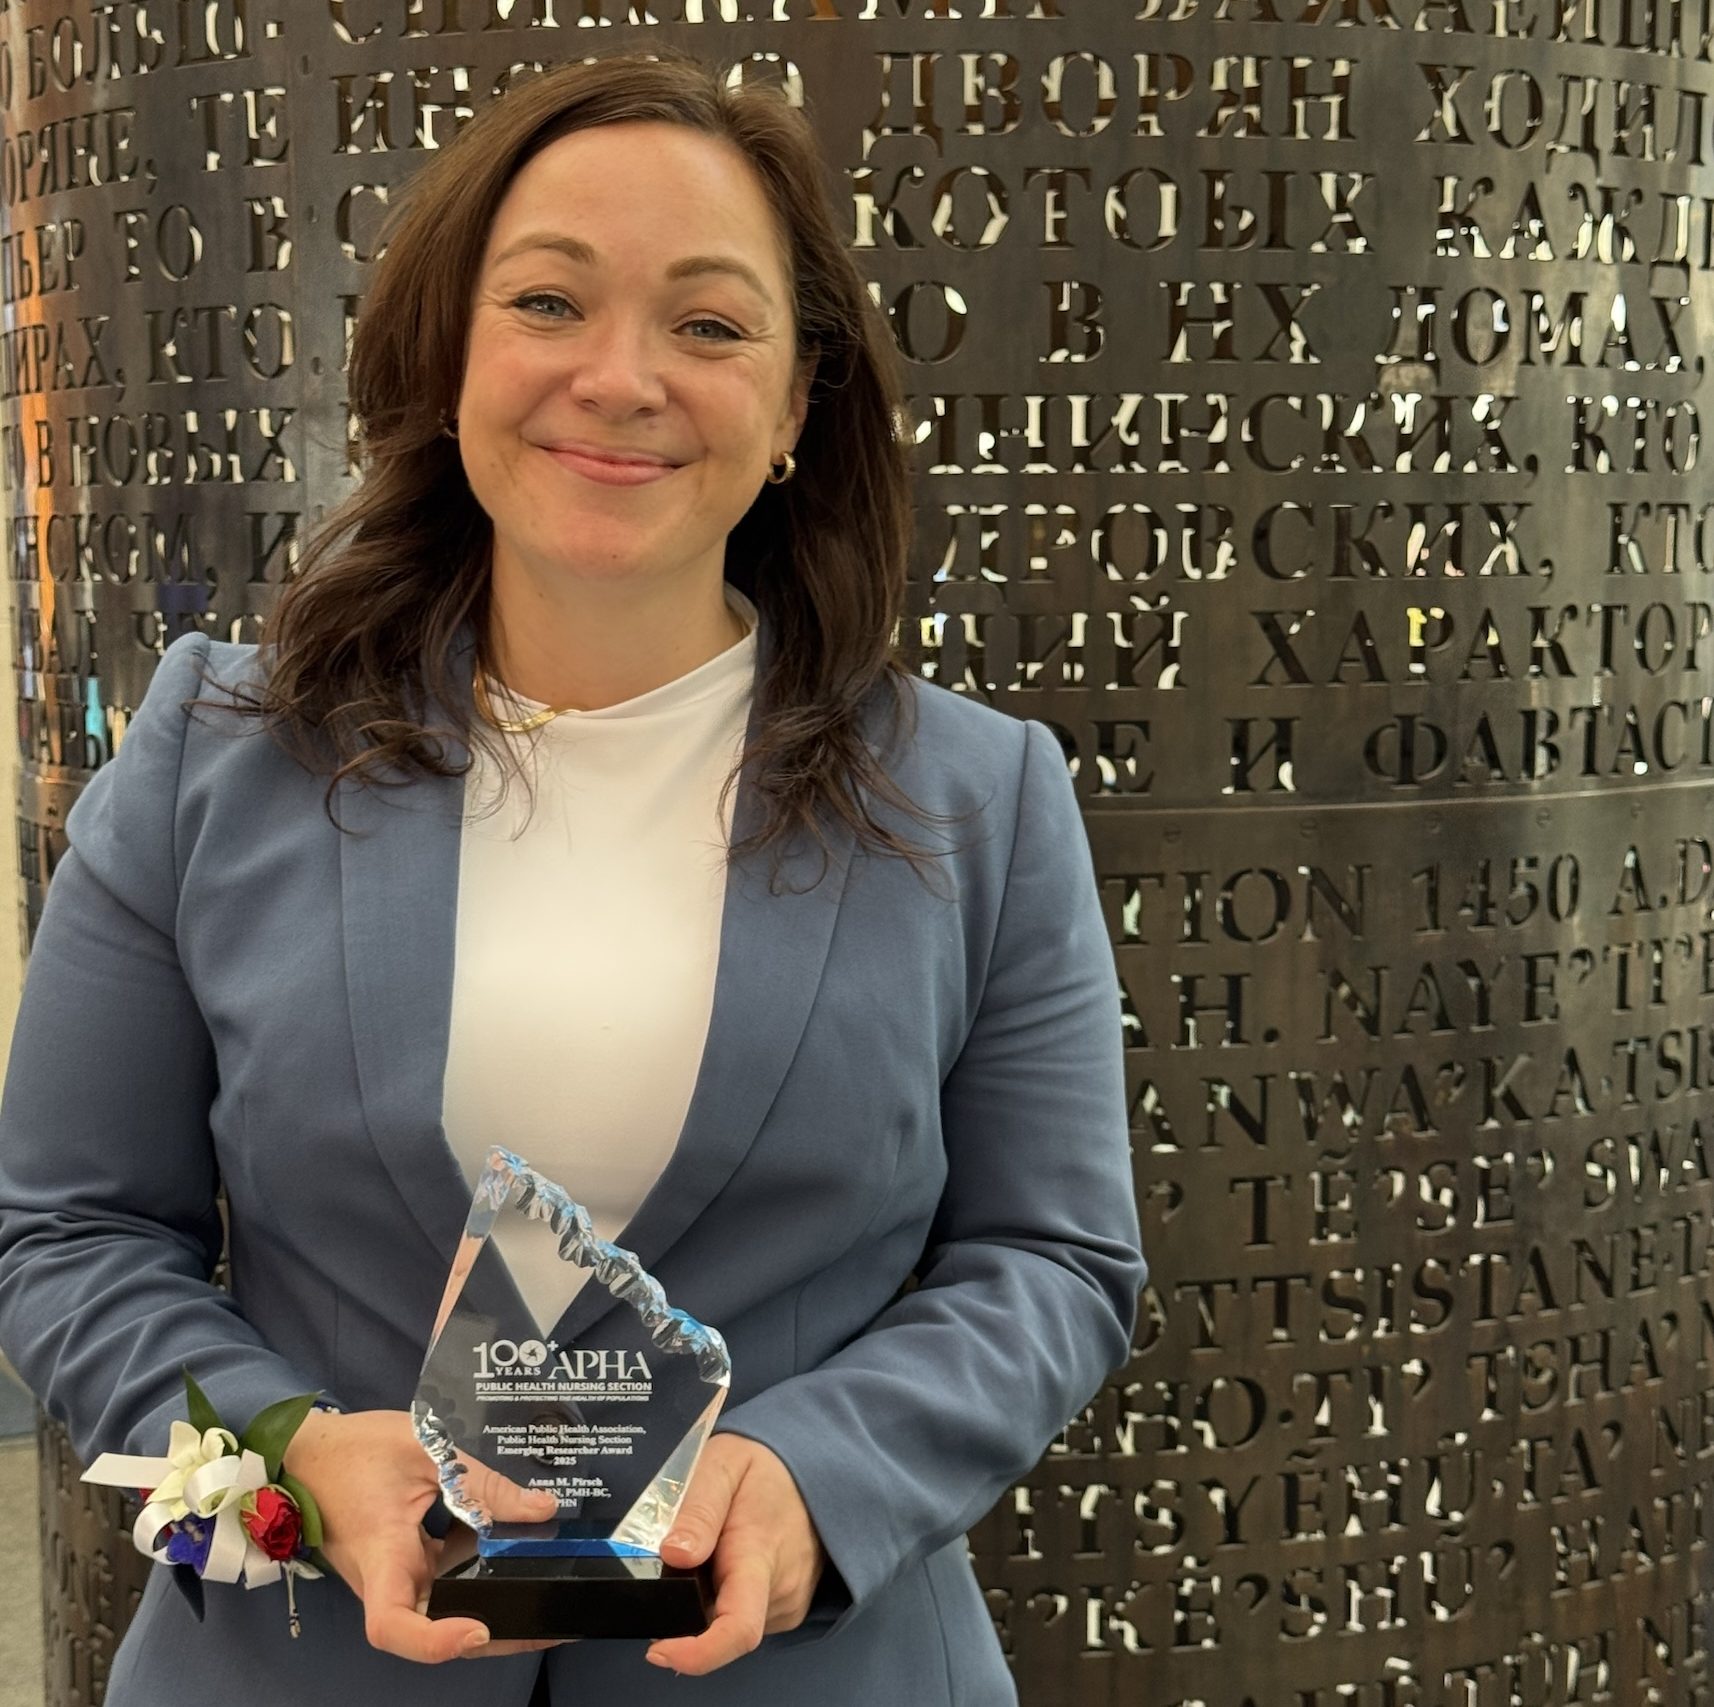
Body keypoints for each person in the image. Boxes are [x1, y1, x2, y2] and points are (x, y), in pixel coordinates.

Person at [0, 47, 1145, 1707]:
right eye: (548, 302)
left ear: (796, 405)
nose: (621, 378)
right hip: (305, 1666)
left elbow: (1052, 1261)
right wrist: (292, 1453)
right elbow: (69, 1235)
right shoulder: (213, 756)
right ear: (446, 354)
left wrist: (816, 1476)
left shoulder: (977, 796)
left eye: (707, 322)